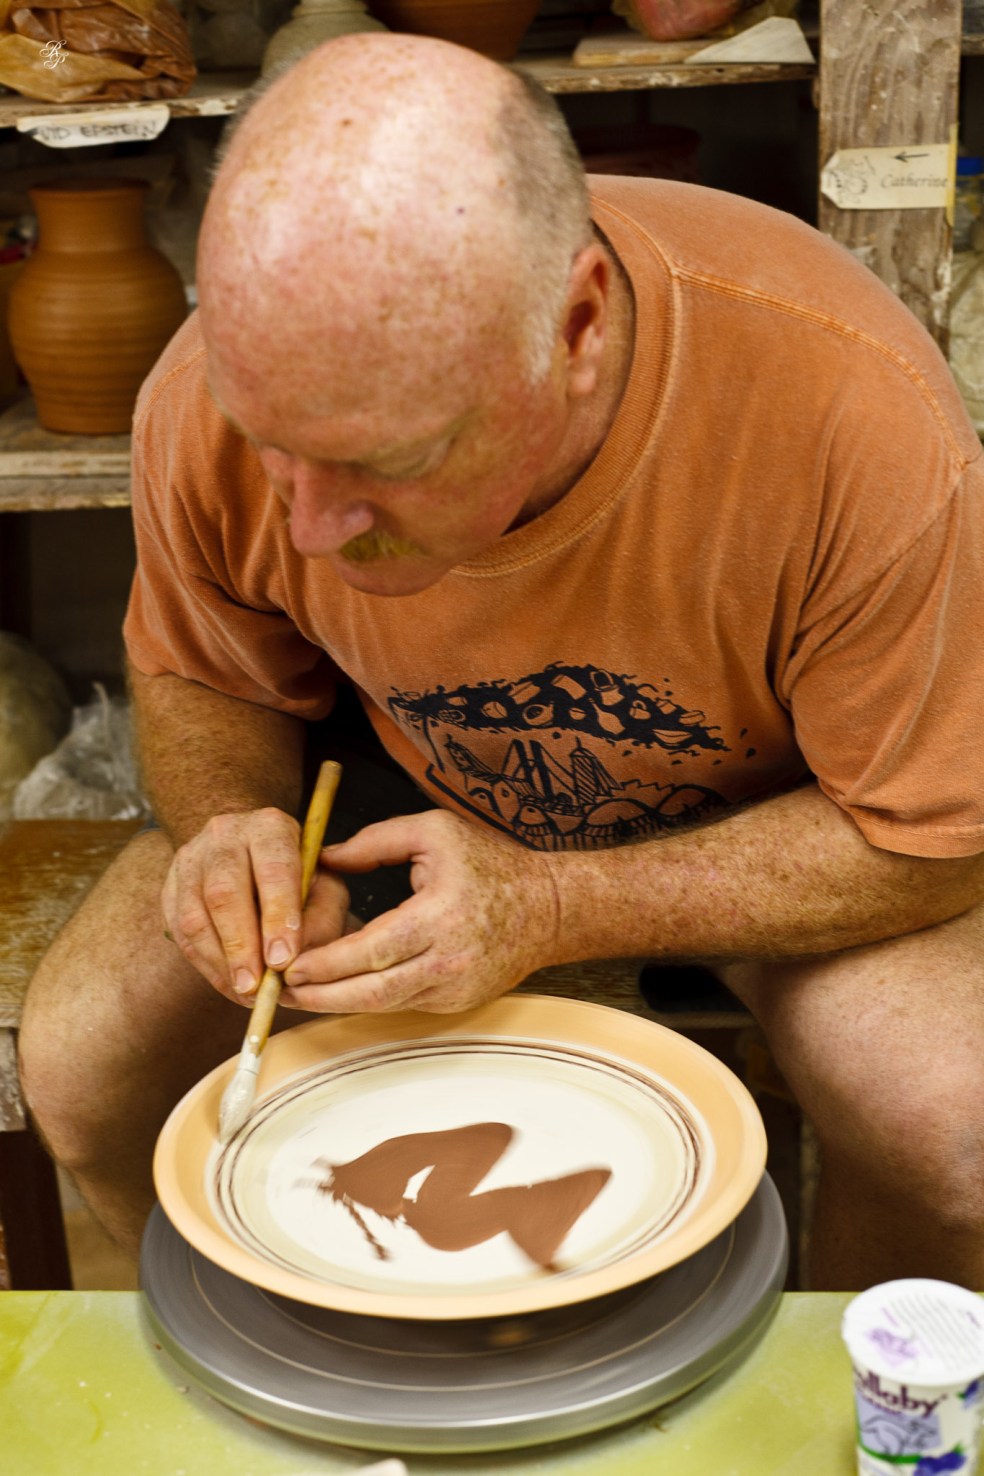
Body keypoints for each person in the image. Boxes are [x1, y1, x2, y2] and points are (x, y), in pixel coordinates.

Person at [19, 33, 984, 1291]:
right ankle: (279, 1349)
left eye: (389, 462)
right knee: (84, 1060)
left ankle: (842, 1381)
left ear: (576, 327)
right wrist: (231, 826)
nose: (311, 529)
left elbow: (929, 840)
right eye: (273, 451)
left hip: (774, 825)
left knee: (949, 1127)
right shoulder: (205, 397)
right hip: (393, 791)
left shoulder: (848, 412)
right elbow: (212, 669)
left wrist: (556, 905)